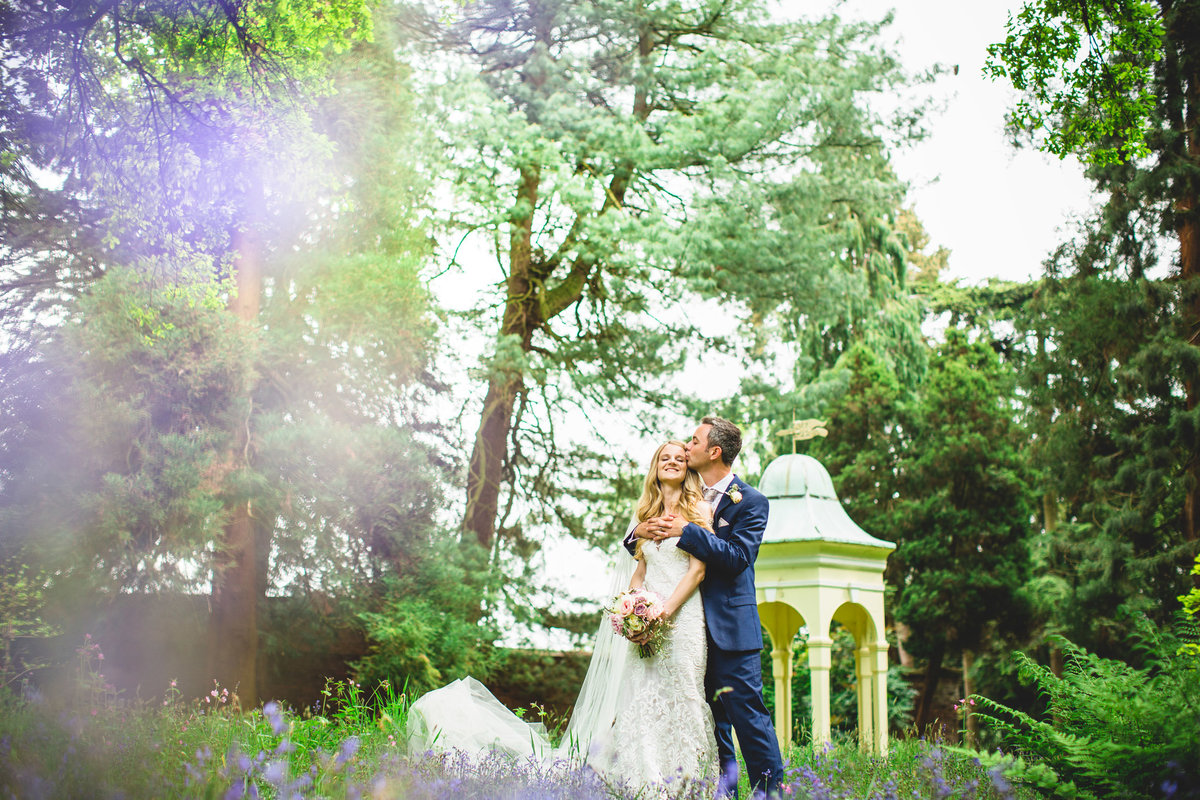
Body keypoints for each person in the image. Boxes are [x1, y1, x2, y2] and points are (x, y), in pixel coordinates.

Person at [407, 440, 719, 793]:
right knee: (641, 700)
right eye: (665, 458)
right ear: (655, 467)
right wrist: (634, 609)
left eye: (680, 458)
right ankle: (647, 785)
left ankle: (693, 786)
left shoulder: (699, 509)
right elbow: (639, 572)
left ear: (688, 468)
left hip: (684, 620)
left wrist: (663, 612)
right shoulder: (645, 516)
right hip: (647, 623)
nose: (673, 462)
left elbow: (697, 572)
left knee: (685, 696)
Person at [626, 416, 784, 799]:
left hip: (730, 627)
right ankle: (720, 791)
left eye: (693, 441)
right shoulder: (688, 490)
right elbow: (648, 540)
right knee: (705, 719)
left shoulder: (751, 502)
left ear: (714, 451)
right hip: (688, 627)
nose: (686, 446)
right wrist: (635, 535)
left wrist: (686, 531)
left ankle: (771, 793)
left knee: (748, 716)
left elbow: (736, 558)